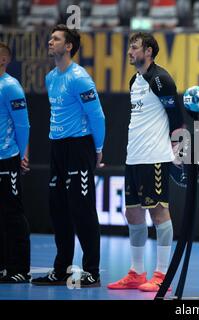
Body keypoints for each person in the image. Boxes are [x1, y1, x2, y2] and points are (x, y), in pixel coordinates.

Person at [107, 32, 183, 292]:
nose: (130, 51)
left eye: (135, 47)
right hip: (134, 156)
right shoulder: (134, 80)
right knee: (133, 212)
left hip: (155, 156)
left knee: (159, 211)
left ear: (148, 51)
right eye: (129, 46)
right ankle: (137, 272)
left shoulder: (160, 79)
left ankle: (162, 276)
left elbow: (176, 117)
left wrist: (176, 150)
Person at [31, 25, 105, 287]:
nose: (50, 42)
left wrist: (98, 149)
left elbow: (97, 115)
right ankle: (61, 269)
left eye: (56, 39)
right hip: (58, 148)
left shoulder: (80, 78)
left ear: (69, 46)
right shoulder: (51, 77)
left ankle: (92, 272)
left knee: (82, 209)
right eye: (50, 38)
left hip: (79, 147)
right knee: (58, 209)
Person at [0, 42, 31, 284]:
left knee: (12, 214)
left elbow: (23, 125)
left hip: (7, 158)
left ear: (4, 60)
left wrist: (23, 155)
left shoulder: (11, 87)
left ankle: (19, 268)